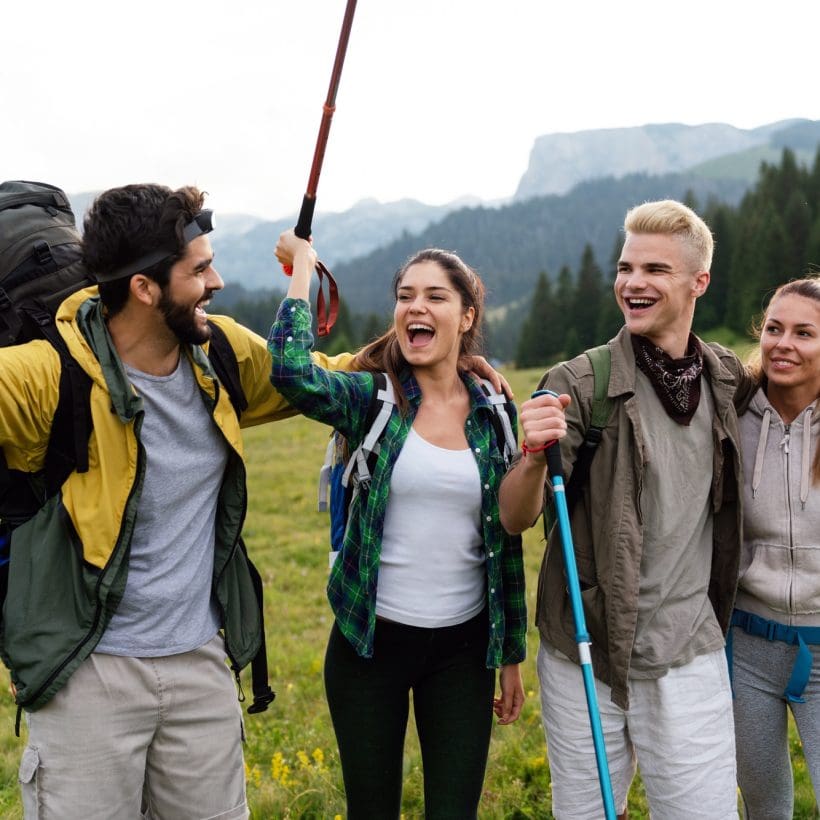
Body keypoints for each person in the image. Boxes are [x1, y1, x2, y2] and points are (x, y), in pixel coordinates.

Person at [0, 183, 357, 819]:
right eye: (198, 269)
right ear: (144, 287)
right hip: (88, 676)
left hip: (201, 666)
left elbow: (311, 375)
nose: (216, 281)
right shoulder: (47, 374)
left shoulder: (217, 352)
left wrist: (433, 363)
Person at [268, 231, 566, 819]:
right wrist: (303, 266)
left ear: (467, 315)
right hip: (368, 645)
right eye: (406, 296)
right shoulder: (372, 400)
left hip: (462, 650)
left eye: (436, 297)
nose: (417, 307)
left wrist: (508, 652)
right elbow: (291, 371)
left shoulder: (494, 409)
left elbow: (510, 530)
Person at [499, 199, 754, 819]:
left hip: (688, 652)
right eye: (625, 267)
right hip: (585, 651)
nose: (633, 283)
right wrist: (532, 454)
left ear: (699, 282)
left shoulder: (724, 378)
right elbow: (514, 516)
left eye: (655, 270)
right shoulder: (580, 382)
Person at [731, 277, 820, 818]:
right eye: (774, 328)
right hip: (747, 648)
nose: (784, 343)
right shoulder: (730, 412)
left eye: (804, 332)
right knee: (764, 805)